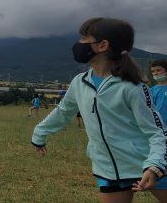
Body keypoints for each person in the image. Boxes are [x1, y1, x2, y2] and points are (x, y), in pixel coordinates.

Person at [31, 17, 167, 202]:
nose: (78, 44)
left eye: (83, 39)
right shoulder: (80, 82)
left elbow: (157, 131)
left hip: (147, 164)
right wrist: (40, 133)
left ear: (102, 45)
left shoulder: (132, 86)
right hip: (107, 169)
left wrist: (155, 165)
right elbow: (64, 111)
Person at [150, 59, 167, 192]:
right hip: (159, 131)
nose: (156, 73)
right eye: (153, 71)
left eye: (158, 70)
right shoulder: (152, 90)